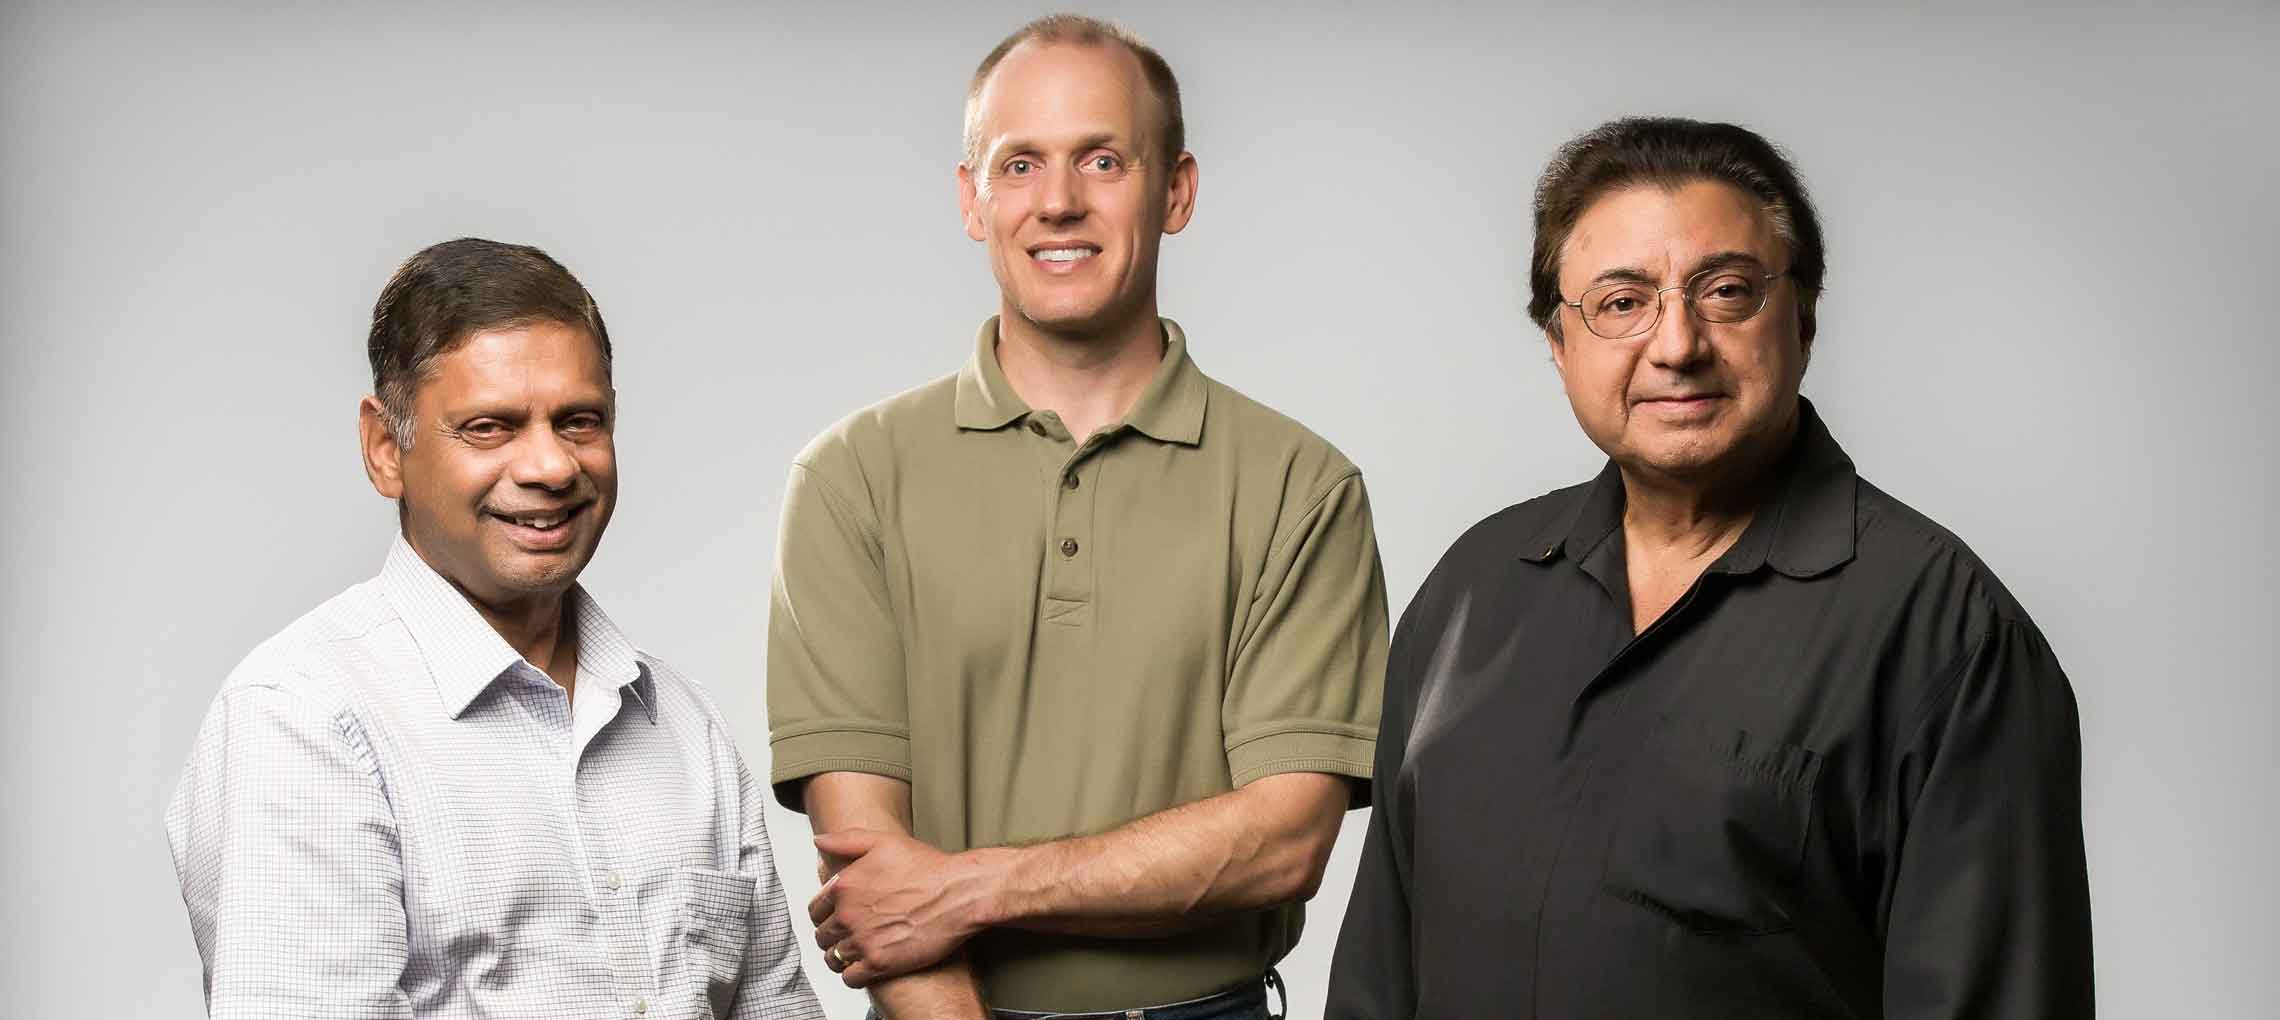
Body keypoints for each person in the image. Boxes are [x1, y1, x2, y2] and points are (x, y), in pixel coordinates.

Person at [1326, 117, 2094, 1018]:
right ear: (1558, 345)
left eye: (1725, 291)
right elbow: (1378, 974)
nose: (1677, 344)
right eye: (1622, 302)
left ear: (1803, 316)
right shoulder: (1474, 587)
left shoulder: (1949, 639)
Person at [767, 14, 1387, 1020]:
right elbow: (872, 874)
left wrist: (973, 888)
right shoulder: (851, 479)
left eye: (1102, 159)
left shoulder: (1299, 487)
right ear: (971, 199)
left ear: (1175, 190)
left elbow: (1285, 842)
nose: (1058, 202)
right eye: (1019, 165)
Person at [166, 238, 823, 1020]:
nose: (551, 466)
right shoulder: (303, 718)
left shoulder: (684, 726)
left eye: (580, 421)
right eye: (490, 427)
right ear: (386, 449)